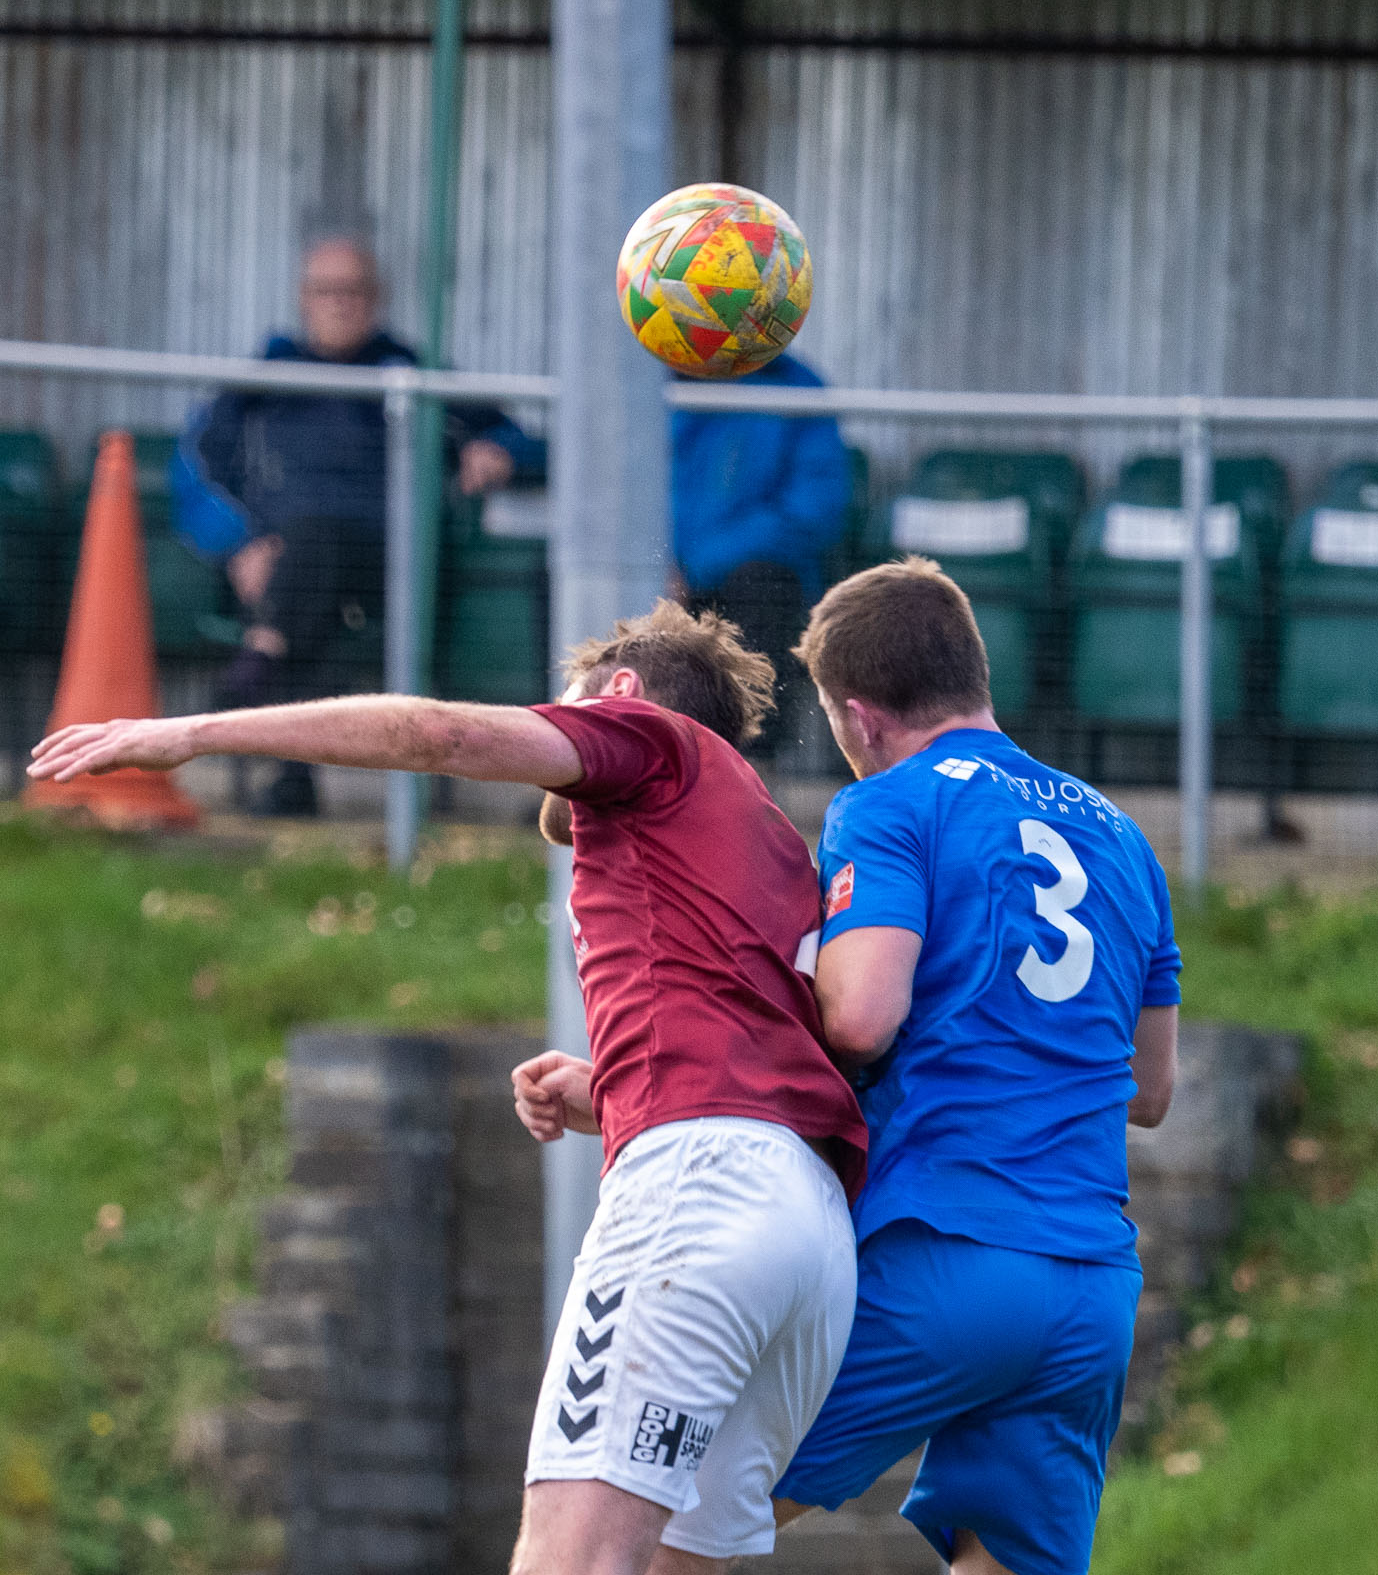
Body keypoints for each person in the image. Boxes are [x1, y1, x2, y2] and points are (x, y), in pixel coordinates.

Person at [28, 599, 866, 1575]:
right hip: (809, 1233)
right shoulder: (761, 838)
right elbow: (757, 1047)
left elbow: (437, 734)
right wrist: (615, 1092)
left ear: (619, 694)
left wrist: (192, 735)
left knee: (570, 1561)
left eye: (565, 708)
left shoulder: (648, 738)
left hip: (702, 1197)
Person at [769, 557, 1181, 1575]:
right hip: (1089, 1285)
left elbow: (861, 1018)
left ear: (858, 717)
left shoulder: (889, 804)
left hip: (946, 1253)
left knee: (669, 1518)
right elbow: (1150, 1088)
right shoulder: (1123, 837)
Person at [173, 236, 545, 816]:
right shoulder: (262, 384)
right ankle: (287, 738)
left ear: (377, 298)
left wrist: (498, 450)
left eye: (353, 291)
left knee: (317, 551)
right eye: (327, 291)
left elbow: (524, 440)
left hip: (395, 567)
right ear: (303, 298)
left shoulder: (413, 375)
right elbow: (194, 470)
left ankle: (267, 663)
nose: (340, 303)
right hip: (279, 565)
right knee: (315, 575)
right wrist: (238, 545)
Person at [672, 350, 849, 755]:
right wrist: (654, 565)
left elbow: (814, 509)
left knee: (763, 584)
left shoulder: (795, 386)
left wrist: (692, 568)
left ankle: (751, 763)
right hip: (659, 574)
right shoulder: (638, 384)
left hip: (739, 580)